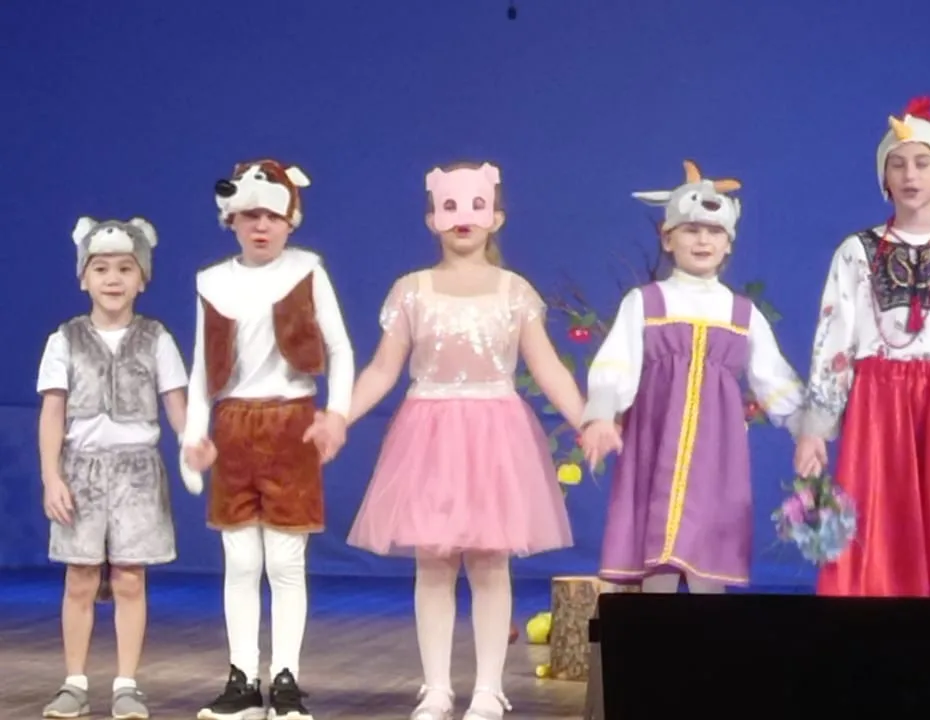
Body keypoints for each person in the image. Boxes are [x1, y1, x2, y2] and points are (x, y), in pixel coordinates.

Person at [333, 161, 582, 720]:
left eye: (474, 206)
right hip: (430, 432)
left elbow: (547, 368)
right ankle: (437, 687)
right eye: (449, 207)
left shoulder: (514, 291)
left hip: (495, 434)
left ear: (496, 217)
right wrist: (339, 417)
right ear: (432, 219)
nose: (462, 218)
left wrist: (588, 420)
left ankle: (489, 688)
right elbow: (382, 370)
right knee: (435, 560)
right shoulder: (412, 291)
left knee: (491, 562)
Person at [792, 96, 930, 598]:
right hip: (876, 401)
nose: (910, 175)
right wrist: (815, 429)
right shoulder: (856, 250)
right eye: (898, 164)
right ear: (883, 178)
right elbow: (834, 340)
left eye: (922, 163)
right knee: (872, 518)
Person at [579, 160, 806, 594]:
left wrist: (804, 429)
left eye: (714, 231)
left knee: (708, 555)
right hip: (655, 444)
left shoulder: (740, 313)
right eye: (691, 229)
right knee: (657, 553)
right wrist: (602, 414)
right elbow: (616, 361)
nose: (703, 240)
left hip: (716, 455)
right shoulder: (647, 302)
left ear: (728, 243)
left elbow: (773, 377)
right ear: (668, 238)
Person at [181, 159, 355, 720]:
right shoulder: (212, 283)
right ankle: (240, 678)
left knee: (284, 561)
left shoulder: (307, 271)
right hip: (234, 424)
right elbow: (202, 367)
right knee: (239, 562)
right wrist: (195, 433)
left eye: (272, 216)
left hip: (290, 423)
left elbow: (340, 349)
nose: (261, 226)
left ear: (290, 221)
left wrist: (337, 414)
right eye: (250, 215)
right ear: (230, 219)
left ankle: (285, 679)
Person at [38, 216, 190, 719]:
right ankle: (74, 682)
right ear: (83, 277)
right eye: (101, 268)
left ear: (142, 278)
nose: (113, 279)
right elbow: (53, 413)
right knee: (80, 578)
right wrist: (52, 476)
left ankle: (126, 684)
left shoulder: (156, 338)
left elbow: (176, 405)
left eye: (125, 268)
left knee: (129, 578)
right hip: (79, 471)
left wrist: (193, 443)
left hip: (137, 474)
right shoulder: (64, 339)